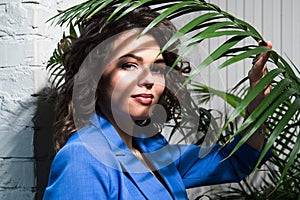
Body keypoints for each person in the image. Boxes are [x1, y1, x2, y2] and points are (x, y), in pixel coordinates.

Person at [43, 5, 272, 200]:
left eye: (156, 68)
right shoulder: (82, 159)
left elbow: (237, 160)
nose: (148, 80)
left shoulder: (152, 148)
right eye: (129, 65)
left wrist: (257, 101)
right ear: (97, 78)